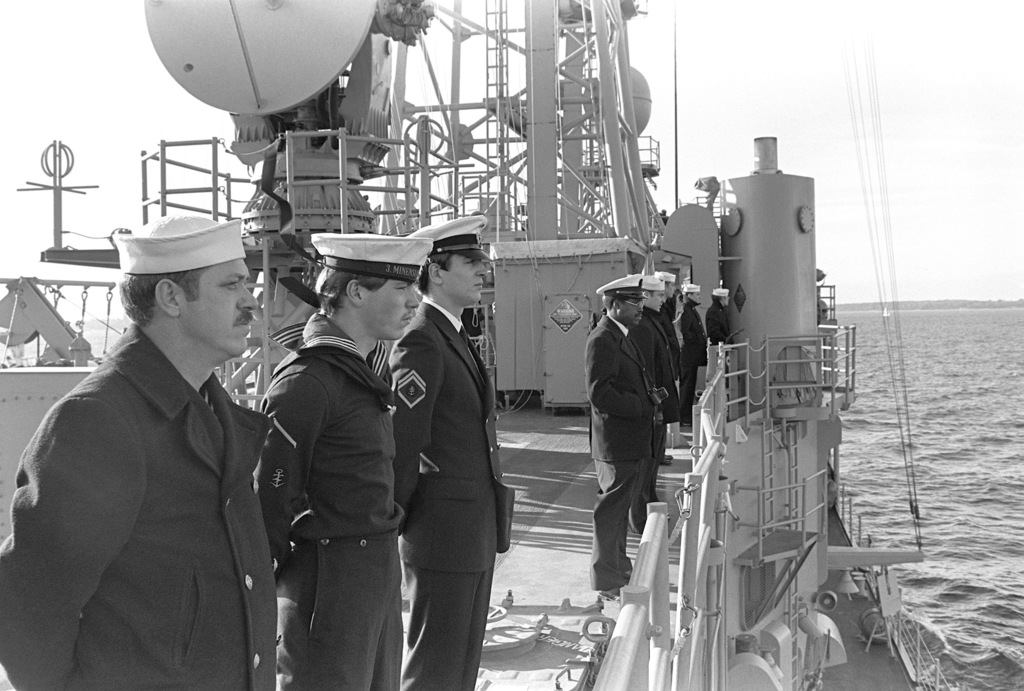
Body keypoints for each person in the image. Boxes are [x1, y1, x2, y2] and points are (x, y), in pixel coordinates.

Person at [0, 216, 277, 690]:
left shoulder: (213, 409)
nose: (251, 302)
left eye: (247, 284)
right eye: (232, 285)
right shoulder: (100, 421)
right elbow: (31, 608)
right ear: (171, 297)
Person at [256, 233, 432, 690]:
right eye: (401, 288)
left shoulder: (356, 370)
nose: (415, 301)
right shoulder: (309, 382)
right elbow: (270, 500)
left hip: (370, 573)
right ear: (355, 292)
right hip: (329, 586)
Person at [390, 216, 504, 691]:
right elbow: (402, 445)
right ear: (436, 271)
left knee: (460, 667)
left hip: (469, 532)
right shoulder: (422, 339)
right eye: (471, 261)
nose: (483, 271)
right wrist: (401, 521)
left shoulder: (452, 333)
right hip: (441, 534)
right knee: (435, 668)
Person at [585, 275, 657, 601]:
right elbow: (599, 393)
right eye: (635, 302)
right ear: (613, 304)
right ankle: (607, 581)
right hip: (615, 443)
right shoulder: (603, 339)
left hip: (627, 441)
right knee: (611, 513)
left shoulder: (620, 335)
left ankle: (618, 569)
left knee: (619, 511)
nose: (641, 307)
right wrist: (639, 405)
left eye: (642, 301)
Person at [627, 274, 680, 531]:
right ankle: (640, 517)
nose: (663, 299)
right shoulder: (641, 326)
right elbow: (646, 371)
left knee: (653, 462)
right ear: (645, 296)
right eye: (659, 295)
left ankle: (650, 506)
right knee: (645, 464)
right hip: (652, 408)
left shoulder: (652, 321)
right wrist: (654, 407)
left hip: (658, 405)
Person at [677, 283, 708, 427]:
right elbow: (685, 331)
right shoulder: (686, 310)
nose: (699, 297)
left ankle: (686, 415)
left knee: (689, 386)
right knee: (687, 387)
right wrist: (698, 339)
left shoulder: (690, 309)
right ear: (689, 296)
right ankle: (684, 416)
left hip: (693, 356)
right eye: (696, 294)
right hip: (689, 355)